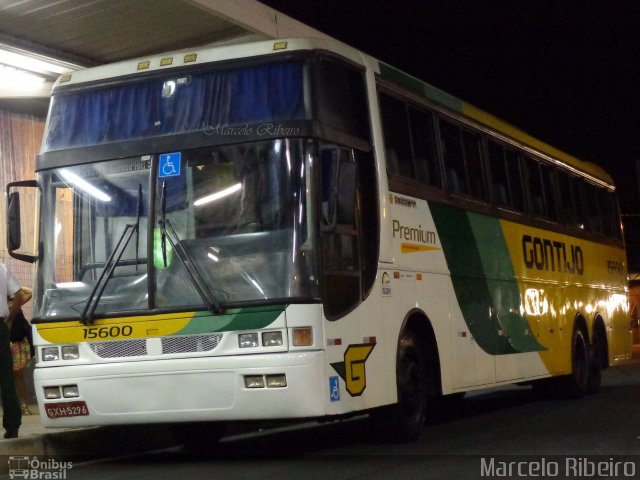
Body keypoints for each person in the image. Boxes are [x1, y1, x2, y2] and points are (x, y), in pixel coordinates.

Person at [0, 263, 32, 439]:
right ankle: (12, 425)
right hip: (1, 327)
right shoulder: (2, 268)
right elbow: (19, 295)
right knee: (6, 377)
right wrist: (10, 320)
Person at [10, 306, 34, 415]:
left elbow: (28, 292)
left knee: (18, 375)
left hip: (15, 342)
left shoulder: (14, 303)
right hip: (5, 342)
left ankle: (24, 405)